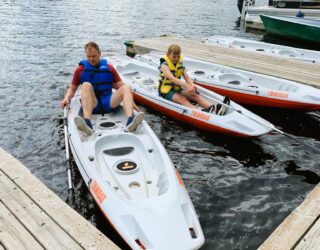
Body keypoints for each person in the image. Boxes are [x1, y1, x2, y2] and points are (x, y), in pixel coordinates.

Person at [60, 42, 144, 135]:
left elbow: (122, 87)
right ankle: (87, 122)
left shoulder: (109, 68)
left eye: (94, 56)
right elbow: (72, 89)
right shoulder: (80, 70)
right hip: (93, 105)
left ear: (100, 53)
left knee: (126, 87)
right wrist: (66, 98)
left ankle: (130, 120)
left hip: (108, 102)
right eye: (89, 56)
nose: (91, 59)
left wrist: (131, 102)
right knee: (86, 85)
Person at [158, 44, 229, 114]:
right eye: (174, 57)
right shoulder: (164, 65)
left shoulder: (179, 63)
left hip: (176, 88)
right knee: (183, 99)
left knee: (194, 95)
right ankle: (200, 114)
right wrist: (187, 86)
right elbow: (172, 79)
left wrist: (192, 85)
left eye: (178, 56)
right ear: (168, 54)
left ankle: (214, 109)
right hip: (166, 91)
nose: (176, 59)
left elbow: (187, 77)